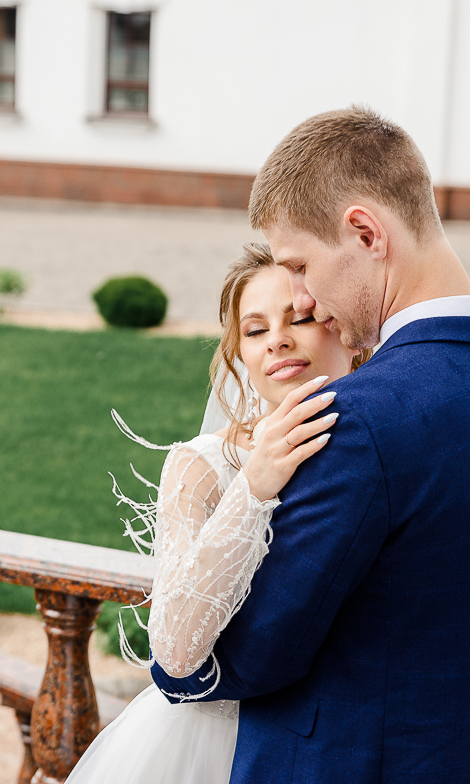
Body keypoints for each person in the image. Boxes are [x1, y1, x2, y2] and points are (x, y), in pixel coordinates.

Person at [151, 107, 470, 783]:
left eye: (300, 265)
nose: (304, 297)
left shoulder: (353, 420)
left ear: (364, 232)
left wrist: (177, 671)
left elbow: (254, 653)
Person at [68, 242, 360, 784]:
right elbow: (176, 649)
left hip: (340, 741)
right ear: (240, 355)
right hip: (209, 745)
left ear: (345, 330)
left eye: (300, 317)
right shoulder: (203, 466)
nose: (277, 339)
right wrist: (254, 486)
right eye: (255, 330)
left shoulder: (377, 453)